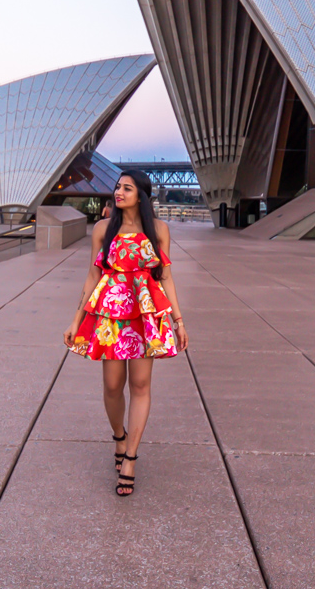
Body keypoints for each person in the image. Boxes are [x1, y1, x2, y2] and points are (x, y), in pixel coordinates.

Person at [63, 169, 188, 496]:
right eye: (118, 187)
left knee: (141, 384)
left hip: (147, 314)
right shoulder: (104, 228)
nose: (118, 192)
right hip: (112, 314)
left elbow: (166, 277)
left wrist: (178, 320)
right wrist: (76, 320)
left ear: (141, 195)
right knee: (112, 385)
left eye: (126, 188)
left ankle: (130, 457)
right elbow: (93, 276)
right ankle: (119, 436)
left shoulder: (158, 229)